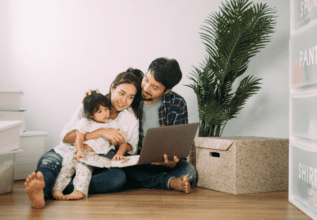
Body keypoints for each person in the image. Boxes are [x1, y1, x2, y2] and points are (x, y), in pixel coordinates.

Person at [24, 68, 143, 208]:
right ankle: (41, 190)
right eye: (121, 93)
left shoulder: (130, 118)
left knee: (118, 177)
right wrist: (101, 132)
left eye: (130, 97)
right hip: (67, 153)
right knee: (50, 166)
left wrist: (116, 142)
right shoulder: (89, 104)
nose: (124, 101)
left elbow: (131, 148)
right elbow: (66, 138)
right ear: (112, 88)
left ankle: (60, 187)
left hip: (93, 162)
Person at [122, 57, 198, 193]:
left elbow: (179, 146)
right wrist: (91, 99)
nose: (145, 88)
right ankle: (169, 182)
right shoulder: (132, 94)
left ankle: (147, 180)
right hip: (134, 161)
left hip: (163, 164)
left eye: (155, 87)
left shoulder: (178, 103)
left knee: (189, 172)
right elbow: (111, 100)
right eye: (146, 80)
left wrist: (172, 161)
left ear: (167, 90)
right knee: (120, 170)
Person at [51, 92, 129, 200]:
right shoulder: (85, 122)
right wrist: (79, 151)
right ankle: (57, 189)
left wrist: (119, 154)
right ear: (91, 114)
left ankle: (79, 191)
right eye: (99, 111)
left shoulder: (112, 125)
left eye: (106, 109)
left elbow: (123, 143)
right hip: (77, 151)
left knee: (84, 170)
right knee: (66, 169)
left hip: (91, 156)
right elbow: (79, 137)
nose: (105, 113)